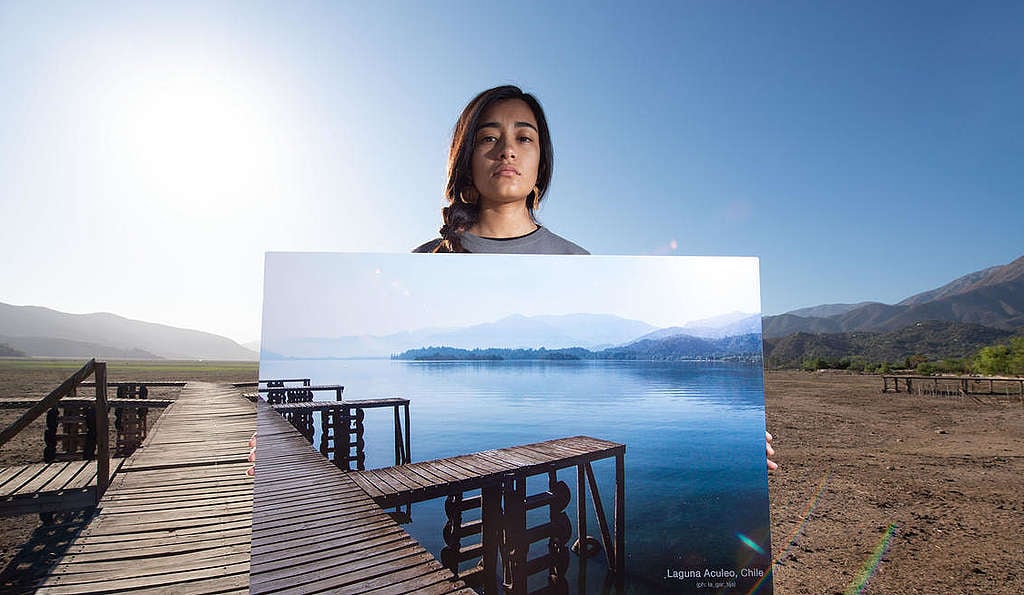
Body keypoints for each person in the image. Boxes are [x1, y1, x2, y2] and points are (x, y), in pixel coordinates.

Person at [415, 85, 776, 470]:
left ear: (542, 161)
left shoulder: (577, 261)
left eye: (524, 137)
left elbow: (618, 425)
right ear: (465, 155)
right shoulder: (427, 259)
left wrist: (737, 435)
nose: (507, 150)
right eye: (488, 137)